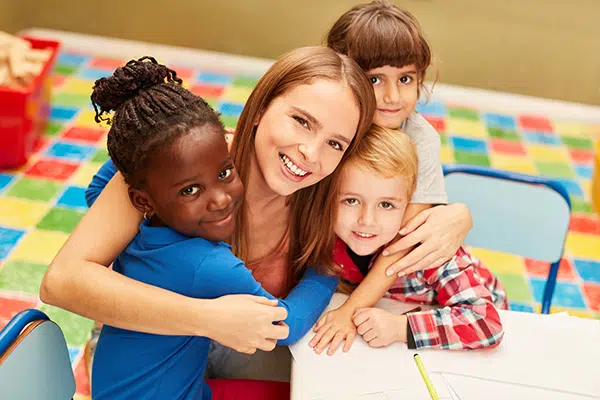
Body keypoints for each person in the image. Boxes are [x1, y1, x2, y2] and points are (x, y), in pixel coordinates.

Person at [40, 46, 376, 382]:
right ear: (260, 108)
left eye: (335, 143)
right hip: (147, 353)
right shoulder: (184, 160)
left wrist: (432, 220)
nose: (310, 153)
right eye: (301, 121)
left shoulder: (325, 198)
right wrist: (204, 316)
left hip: (229, 351)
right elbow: (60, 281)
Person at [308, 126, 507, 355]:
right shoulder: (327, 238)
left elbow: (487, 323)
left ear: (410, 204)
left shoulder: (429, 251)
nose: (367, 220)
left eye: (386, 205)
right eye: (351, 201)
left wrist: (400, 328)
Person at [326, 0, 473, 276]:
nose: (392, 97)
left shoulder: (420, 139)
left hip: (393, 279)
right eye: (375, 80)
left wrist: (350, 309)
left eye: (405, 79)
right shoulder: (329, 125)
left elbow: (399, 246)